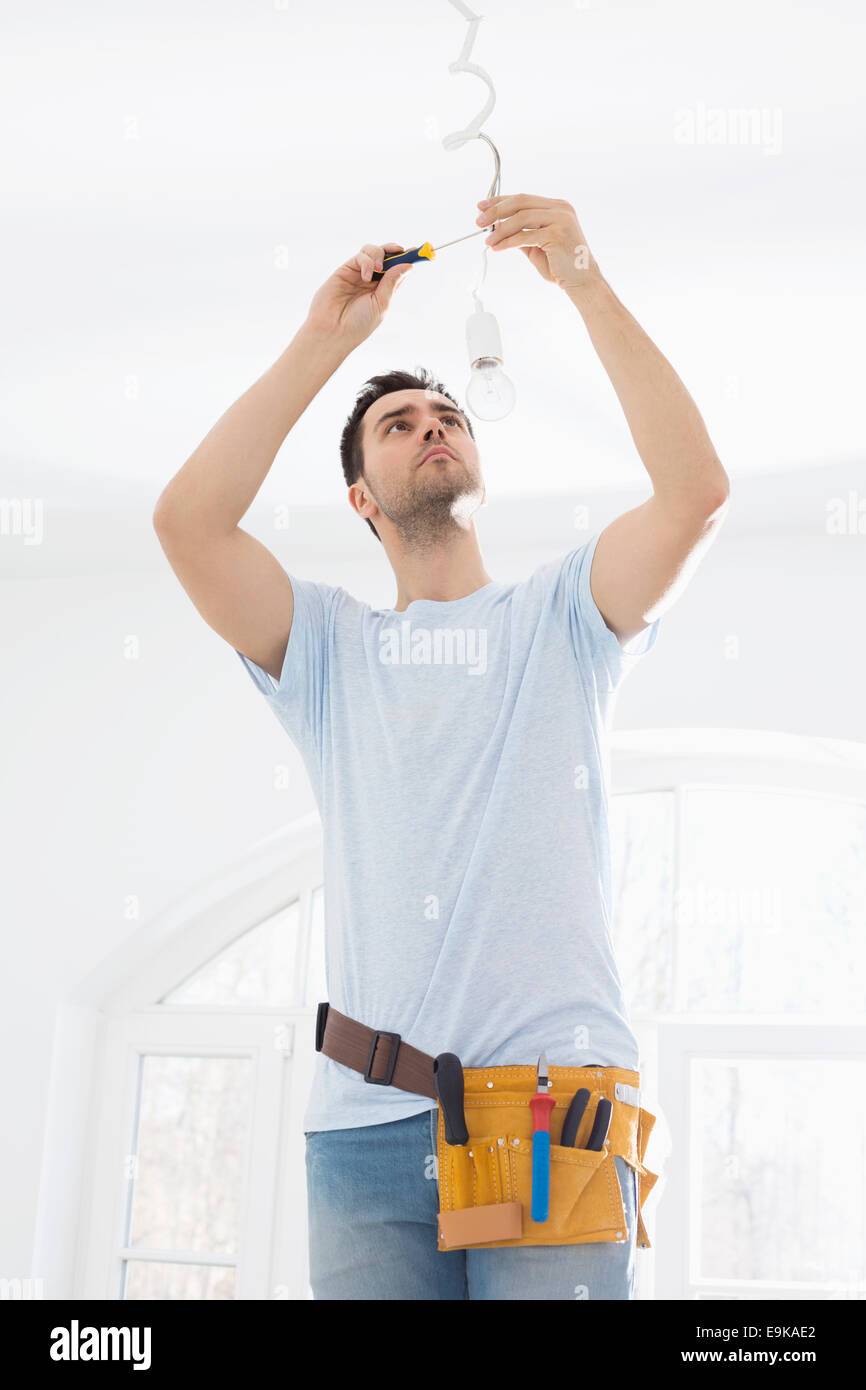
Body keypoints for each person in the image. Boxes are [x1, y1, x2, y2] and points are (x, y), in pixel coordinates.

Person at [153, 194, 730, 1299]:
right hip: (362, 1134)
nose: (432, 424)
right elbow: (187, 521)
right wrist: (329, 342)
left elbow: (693, 493)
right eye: (400, 421)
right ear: (362, 497)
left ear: (475, 466)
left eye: (447, 416)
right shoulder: (324, 648)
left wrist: (582, 277)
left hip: (553, 1116)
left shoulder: (561, 617)